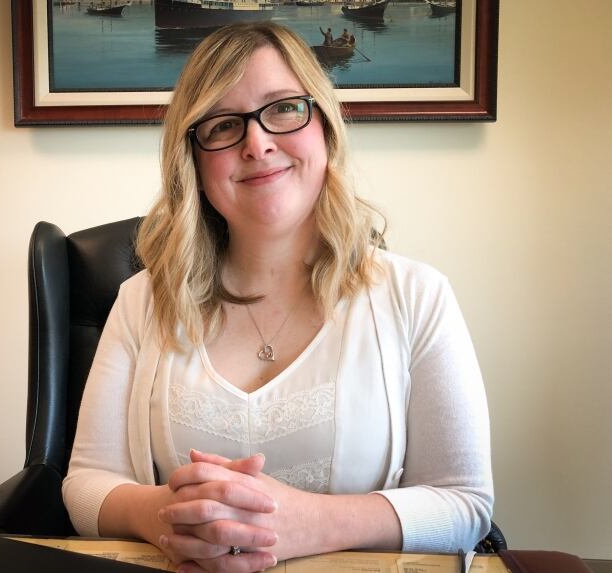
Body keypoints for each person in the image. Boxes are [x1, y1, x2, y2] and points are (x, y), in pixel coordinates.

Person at [62, 21, 493, 573]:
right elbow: (85, 486)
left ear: (325, 130)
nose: (257, 143)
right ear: (191, 161)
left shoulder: (419, 296)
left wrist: (303, 523)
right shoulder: (141, 300)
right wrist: (167, 514)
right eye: (221, 125)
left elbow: (466, 504)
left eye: (284, 108)